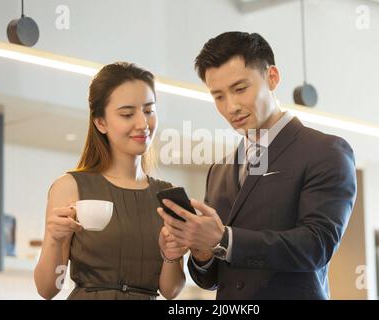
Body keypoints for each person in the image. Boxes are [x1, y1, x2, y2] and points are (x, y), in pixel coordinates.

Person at [157, 32, 357, 299]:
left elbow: (316, 245)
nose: (232, 106)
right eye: (218, 96)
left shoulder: (325, 151)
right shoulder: (219, 170)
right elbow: (213, 279)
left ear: (272, 77)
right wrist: (201, 249)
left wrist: (223, 239)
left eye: (240, 89)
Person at [34, 62, 187, 300]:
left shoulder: (167, 195)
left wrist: (171, 255)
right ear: (101, 122)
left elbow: (171, 290)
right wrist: (55, 240)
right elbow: (47, 288)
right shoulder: (70, 187)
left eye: (149, 110)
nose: (142, 123)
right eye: (127, 114)